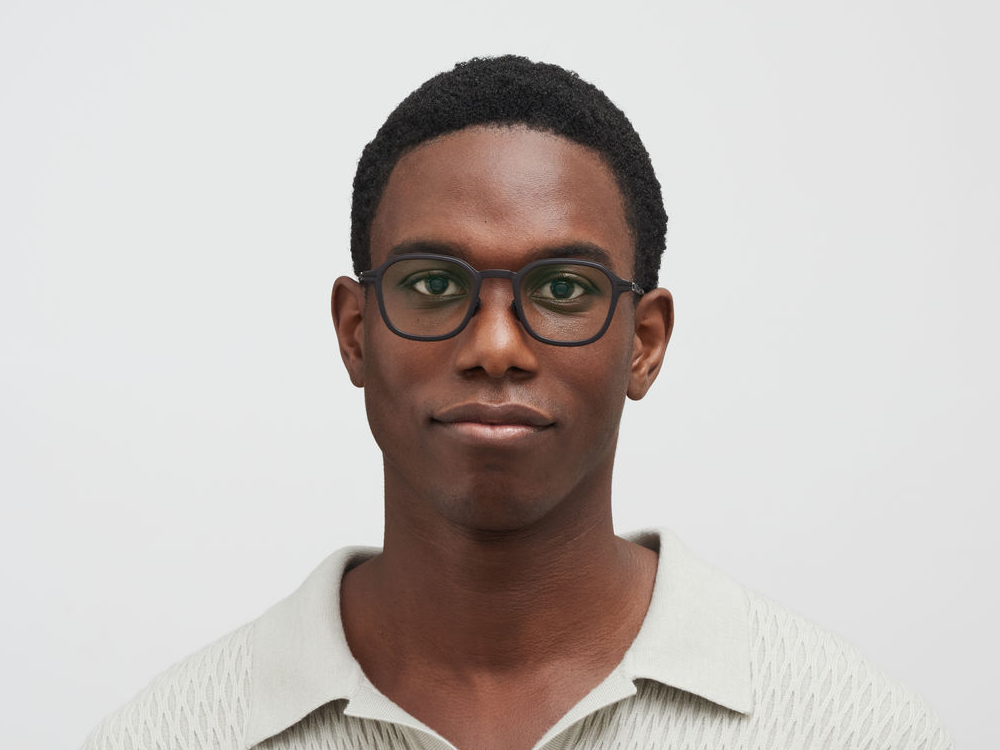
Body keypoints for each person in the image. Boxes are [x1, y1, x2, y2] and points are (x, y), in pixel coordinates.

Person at [81, 55, 953, 750]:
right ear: (355, 332)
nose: (495, 346)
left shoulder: (849, 729)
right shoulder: (175, 734)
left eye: (564, 287)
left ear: (644, 342)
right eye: (432, 283)